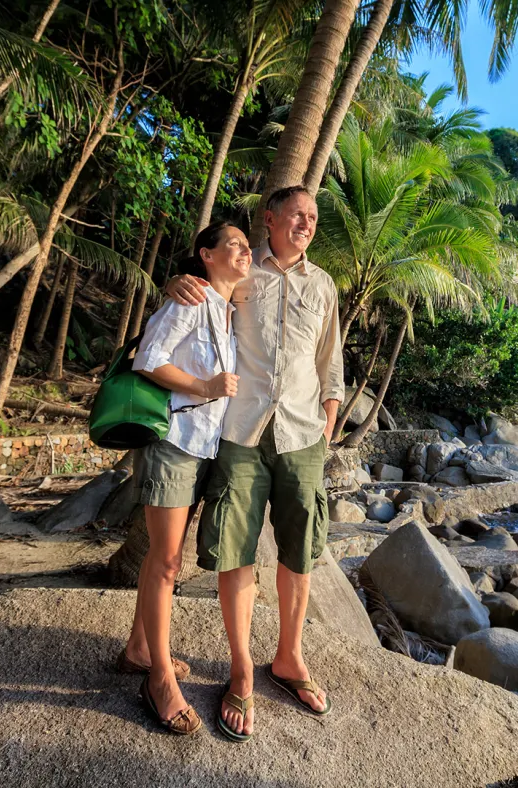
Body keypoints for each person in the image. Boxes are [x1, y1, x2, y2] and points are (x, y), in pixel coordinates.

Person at [165, 185, 344, 743]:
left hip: (302, 432)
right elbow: (195, 291)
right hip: (240, 430)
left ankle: (289, 658)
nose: (307, 223)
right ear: (270, 219)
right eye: (297, 214)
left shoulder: (323, 284)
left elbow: (330, 359)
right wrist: (173, 282)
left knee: (300, 548)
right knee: (234, 546)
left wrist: (330, 417)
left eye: (313, 217)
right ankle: (242, 668)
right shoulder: (241, 273)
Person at [118, 221, 252, 736]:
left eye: (246, 244)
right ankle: (158, 679)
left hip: (204, 449)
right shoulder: (190, 300)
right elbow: (148, 359)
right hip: (174, 443)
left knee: (165, 558)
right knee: (166, 560)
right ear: (207, 255)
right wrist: (205, 385)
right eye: (234, 245)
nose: (244, 251)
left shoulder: (226, 306)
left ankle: (138, 649)